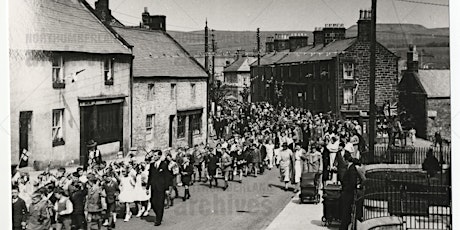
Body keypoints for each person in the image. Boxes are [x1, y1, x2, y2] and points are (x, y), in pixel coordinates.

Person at [146, 150, 169, 226]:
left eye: (155, 155)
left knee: (160, 203)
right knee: (153, 203)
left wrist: (167, 189)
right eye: (153, 155)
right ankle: (158, 214)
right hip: (153, 187)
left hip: (161, 188)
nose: (154, 157)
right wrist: (147, 187)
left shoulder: (164, 164)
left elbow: (167, 177)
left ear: (159, 156)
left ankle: (158, 219)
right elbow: (150, 176)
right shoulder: (152, 165)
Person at [339, 152, 359, 230]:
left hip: (348, 193)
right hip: (347, 192)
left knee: (346, 210)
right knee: (346, 211)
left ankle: (344, 227)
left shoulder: (351, 169)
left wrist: (346, 189)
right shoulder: (351, 168)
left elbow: (352, 182)